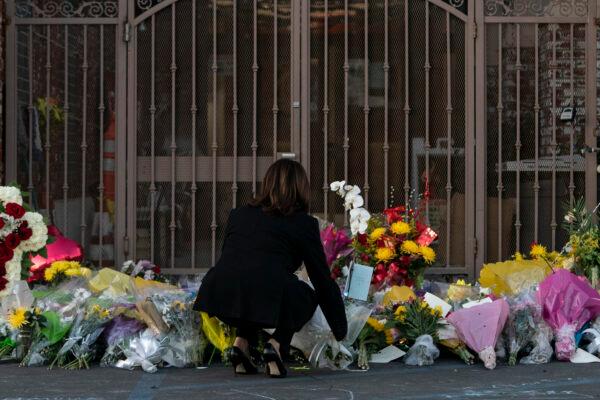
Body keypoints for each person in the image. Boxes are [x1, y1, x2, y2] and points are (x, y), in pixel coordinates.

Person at [194, 159, 347, 378]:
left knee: (254, 288)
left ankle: (241, 344)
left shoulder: (239, 214)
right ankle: (276, 345)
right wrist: (340, 330)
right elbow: (321, 279)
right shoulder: (303, 223)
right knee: (306, 295)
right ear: (301, 188)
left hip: (220, 291)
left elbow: (234, 258)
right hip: (262, 290)